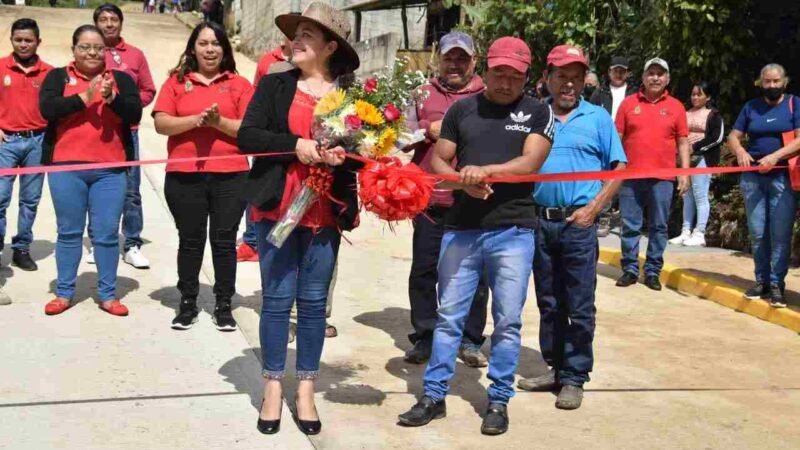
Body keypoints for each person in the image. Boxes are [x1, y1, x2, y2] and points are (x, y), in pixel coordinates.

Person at [398, 37, 554, 436]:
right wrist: (460, 183)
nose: (505, 82)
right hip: (462, 227)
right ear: (486, 70)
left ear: (526, 76)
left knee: (507, 320)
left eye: (514, 76)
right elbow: (438, 158)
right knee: (449, 317)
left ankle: (498, 400)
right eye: (499, 73)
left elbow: (530, 161)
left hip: (514, 231)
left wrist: (483, 171)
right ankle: (433, 396)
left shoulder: (539, 112)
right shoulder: (462, 110)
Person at [237, 2, 361, 436]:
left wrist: (346, 157)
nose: (297, 41)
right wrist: (297, 144)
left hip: (324, 213)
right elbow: (247, 136)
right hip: (278, 208)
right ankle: (272, 385)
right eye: (297, 33)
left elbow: (365, 156)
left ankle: (306, 387)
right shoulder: (275, 85)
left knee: (312, 304)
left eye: (309, 34)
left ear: (330, 46)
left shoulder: (351, 97)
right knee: (275, 299)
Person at [516, 45, 626, 410]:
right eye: (562, 75)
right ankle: (555, 368)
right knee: (548, 302)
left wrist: (594, 208)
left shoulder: (597, 118)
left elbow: (619, 169)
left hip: (578, 223)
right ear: (547, 77)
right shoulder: (533, 116)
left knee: (579, 304)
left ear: (584, 81)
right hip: (540, 222)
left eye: (576, 76)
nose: (569, 83)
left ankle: (575, 377)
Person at [152, 22, 252, 331]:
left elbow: (249, 131)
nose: (210, 49)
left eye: (216, 44)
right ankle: (188, 303)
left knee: (223, 242)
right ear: (192, 48)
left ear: (225, 49)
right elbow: (161, 123)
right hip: (185, 176)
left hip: (231, 176)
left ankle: (224, 305)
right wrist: (196, 121)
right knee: (190, 241)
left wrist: (219, 122)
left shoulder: (239, 84)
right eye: (203, 43)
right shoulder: (176, 83)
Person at [39, 24, 142, 316]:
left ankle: (108, 295)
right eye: (85, 47)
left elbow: (135, 114)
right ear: (73, 50)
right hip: (65, 168)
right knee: (69, 232)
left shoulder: (120, 78)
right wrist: (84, 97)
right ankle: (64, 292)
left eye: (98, 47)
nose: (92, 52)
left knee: (107, 233)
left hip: (110, 171)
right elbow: (47, 109)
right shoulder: (57, 77)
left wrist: (112, 99)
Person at [401, 31, 489, 367]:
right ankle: (425, 336)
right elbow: (398, 139)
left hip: (473, 202)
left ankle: (470, 340)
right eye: (449, 57)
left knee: (474, 275)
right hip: (428, 199)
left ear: (474, 62)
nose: (454, 64)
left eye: (461, 58)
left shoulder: (487, 95)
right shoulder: (421, 94)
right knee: (424, 270)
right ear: (438, 59)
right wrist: (426, 130)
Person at [728, 64, 800, 308]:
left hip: (782, 177)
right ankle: (762, 281)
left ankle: (778, 284)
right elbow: (733, 136)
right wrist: (739, 151)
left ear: (785, 81)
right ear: (760, 82)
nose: (771, 86)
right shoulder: (751, 107)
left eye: (776, 81)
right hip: (753, 178)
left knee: (780, 234)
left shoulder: (794, 104)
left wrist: (775, 157)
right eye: (767, 81)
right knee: (758, 233)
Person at [615, 57, 690, 291]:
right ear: (644, 78)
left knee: (659, 226)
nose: (655, 77)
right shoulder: (628, 104)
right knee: (629, 224)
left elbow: (683, 141)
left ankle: (653, 271)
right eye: (651, 73)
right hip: (631, 176)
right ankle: (629, 268)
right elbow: (617, 138)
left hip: (663, 178)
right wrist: (614, 168)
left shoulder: (676, 106)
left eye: (660, 74)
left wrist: (684, 172)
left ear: (667, 78)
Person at [92, 3, 157, 269]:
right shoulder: (89, 50)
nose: (109, 24)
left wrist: (126, 105)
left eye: (113, 19)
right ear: (96, 23)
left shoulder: (135, 55)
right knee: (95, 189)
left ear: (121, 23)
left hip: (127, 133)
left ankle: (132, 244)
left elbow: (148, 90)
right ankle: (96, 241)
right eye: (103, 19)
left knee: (131, 191)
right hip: (95, 131)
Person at [0, 19, 52, 280]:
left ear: (38, 42)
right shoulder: (0, 68)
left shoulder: (50, 73)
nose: (23, 44)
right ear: (11, 39)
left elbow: (57, 107)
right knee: (0, 198)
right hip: (6, 143)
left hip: (37, 142)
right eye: (18, 39)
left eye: (28, 40)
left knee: (30, 200)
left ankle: (21, 247)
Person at [237, 37, 294, 264]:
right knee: (260, 190)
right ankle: (252, 241)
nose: (294, 39)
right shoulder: (268, 63)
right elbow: (256, 99)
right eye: (291, 34)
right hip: (270, 144)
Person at [669, 81, 725, 247]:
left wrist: (695, 148)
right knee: (686, 194)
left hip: (702, 158)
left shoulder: (714, 115)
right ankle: (685, 231)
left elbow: (717, 138)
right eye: (693, 94)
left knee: (700, 194)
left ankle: (699, 232)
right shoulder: (684, 113)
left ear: (707, 97)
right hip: (684, 158)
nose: (695, 97)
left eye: (699, 94)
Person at [590, 56, 637, 237]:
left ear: (627, 73)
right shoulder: (599, 93)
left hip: (627, 141)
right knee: (605, 178)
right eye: (615, 70)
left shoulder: (634, 93)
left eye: (622, 70)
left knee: (625, 180)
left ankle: (626, 219)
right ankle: (603, 215)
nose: (618, 73)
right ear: (609, 72)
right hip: (603, 141)